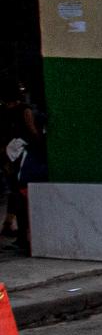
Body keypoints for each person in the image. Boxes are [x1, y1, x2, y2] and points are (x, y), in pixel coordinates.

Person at [1, 82, 46, 254]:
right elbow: (33, 133)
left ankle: (24, 238)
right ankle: (22, 237)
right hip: (20, 160)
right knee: (19, 197)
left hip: (21, 161)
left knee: (20, 198)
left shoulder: (22, 111)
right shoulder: (18, 111)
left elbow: (32, 131)